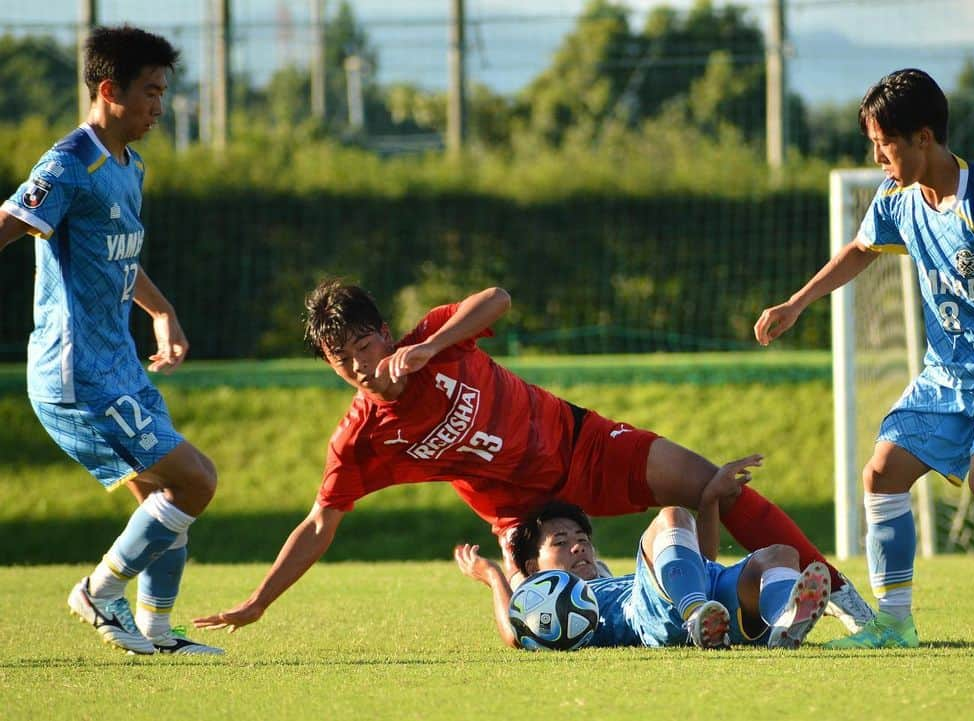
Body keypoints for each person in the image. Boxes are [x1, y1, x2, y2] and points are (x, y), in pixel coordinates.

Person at [193, 280, 870, 634]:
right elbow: (318, 523)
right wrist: (258, 601)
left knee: (713, 487)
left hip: (583, 446)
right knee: (532, 628)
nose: (358, 370)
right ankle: (705, 614)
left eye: (363, 349)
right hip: (525, 519)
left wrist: (427, 349)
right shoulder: (364, 437)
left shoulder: (435, 338)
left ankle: (835, 594)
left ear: (382, 332)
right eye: (340, 363)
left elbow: (499, 299)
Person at [754, 68, 974, 648]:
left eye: (885, 144)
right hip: (946, 372)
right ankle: (895, 623)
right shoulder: (897, 197)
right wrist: (797, 303)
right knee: (881, 474)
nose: (878, 156)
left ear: (923, 138)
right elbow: (860, 250)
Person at [0, 26, 221, 655]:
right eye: (150, 92)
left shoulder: (130, 166)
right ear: (109, 90)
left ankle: (155, 629)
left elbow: (120, 256)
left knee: (160, 497)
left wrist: (161, 311)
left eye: (162, 92)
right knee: (196, 481)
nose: (159, 106)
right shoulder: (70, 163)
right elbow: (9, 223)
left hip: (118, 365)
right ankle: (97, 593)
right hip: (75, 373)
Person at [455, 486, 831, 650]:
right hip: (649, 614)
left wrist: (710, 500)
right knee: (670, 517)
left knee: (779, 556)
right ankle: (696, 615)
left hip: (697, 590)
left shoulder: (603, 573)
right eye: (560, 541)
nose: (578, 544)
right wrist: (493, 575)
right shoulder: (547, 599)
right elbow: (516, 632)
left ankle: (782, 623)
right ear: (535, 568)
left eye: (581, 536)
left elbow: (702, 559)